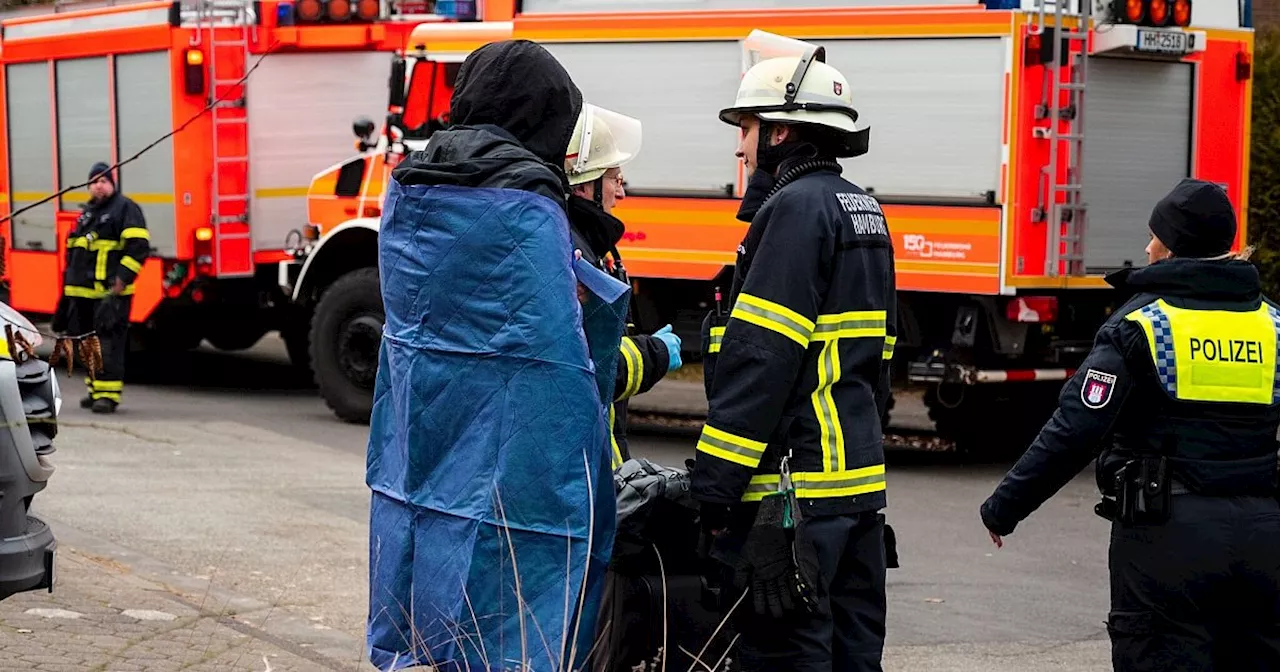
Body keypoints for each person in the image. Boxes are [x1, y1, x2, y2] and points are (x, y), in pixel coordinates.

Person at [365, 40, 626, 672]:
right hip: (522, 453)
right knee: (515, 599)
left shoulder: (411, 183)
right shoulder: (535, 200)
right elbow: (559, 354)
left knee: (435, 550)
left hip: (422, 427)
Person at [980, 178, 1280, 671]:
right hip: (1264, 539)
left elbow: (1076, 429)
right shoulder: (1270, 324)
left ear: (1174, 245)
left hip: (1168, 539)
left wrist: (1005, 506)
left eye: (1154, 236)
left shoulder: (1143, 325)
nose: (1146, 247)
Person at [690, 31, 896, 672]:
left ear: (781, 132)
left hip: (793, 495)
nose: (739, 144)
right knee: (852, 657)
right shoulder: (863, 208)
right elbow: (879, 359)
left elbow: (761, 362)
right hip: (856, 494)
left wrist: (715, 492)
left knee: (787, 656)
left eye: (747, 127)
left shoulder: (795, 211)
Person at [564, 103, 683, 469]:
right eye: (615, 178)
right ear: (585, 185)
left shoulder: (587, 243)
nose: (622, 191)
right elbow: (588, 368)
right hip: (581, 468)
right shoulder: (573, 251)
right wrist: (656, 353)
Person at [51, 162, 149, 414]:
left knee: (108, 344)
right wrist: (64, 301)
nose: (98, 185)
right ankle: (95, 391)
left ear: (112, 184)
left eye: (104, 181)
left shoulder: (126, 209)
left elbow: (138, 247)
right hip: (82, 295)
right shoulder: (86, 215)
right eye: (94, 181)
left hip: (109, 295)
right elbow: (73, 258)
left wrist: (121, 280)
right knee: (86, 344)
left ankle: (108, 395)